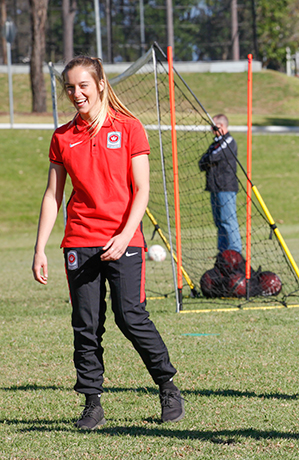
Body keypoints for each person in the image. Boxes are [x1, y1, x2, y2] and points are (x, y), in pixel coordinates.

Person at [32, 56, 184, 430]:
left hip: (124, 238)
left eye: (83, 85)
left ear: (99, 84)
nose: (76, 93)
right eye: (69, 87)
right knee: (86, 323)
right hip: (79, 242)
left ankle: (167, 386)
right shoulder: (62, 136)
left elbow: (142, 189)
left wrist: (123, 234)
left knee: (130, 316)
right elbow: (53, 196)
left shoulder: (129, 128)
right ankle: (92, 402)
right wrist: (39, 248)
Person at [199, 114, 242, 254]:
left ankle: (235, 252)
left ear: (221, 126)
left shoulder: (228, 141)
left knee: (228, 221)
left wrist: (208, 161)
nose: (212, 130)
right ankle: (223, 252)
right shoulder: (215, 142)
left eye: (214, 126)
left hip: (226, 187)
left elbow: (212, 156)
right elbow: (202, 161)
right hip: (214, 187)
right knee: (219, 222)